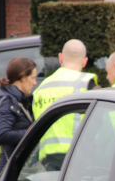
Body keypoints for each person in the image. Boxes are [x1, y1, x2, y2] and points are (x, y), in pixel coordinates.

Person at [32, 39, 97, 170]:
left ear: (60, 58)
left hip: (48, 159)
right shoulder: (86, 83)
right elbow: (100, 122)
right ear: (84, 61)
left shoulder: (41, 88)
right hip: (78, 156)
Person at [0, 57, 37, 177]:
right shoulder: (8, 102)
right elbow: (1, 134)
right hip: (10, 171)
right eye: (32, 78)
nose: (35, 82)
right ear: (23, 78)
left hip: (15, 167)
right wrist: (30, 132)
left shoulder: (18, 100)